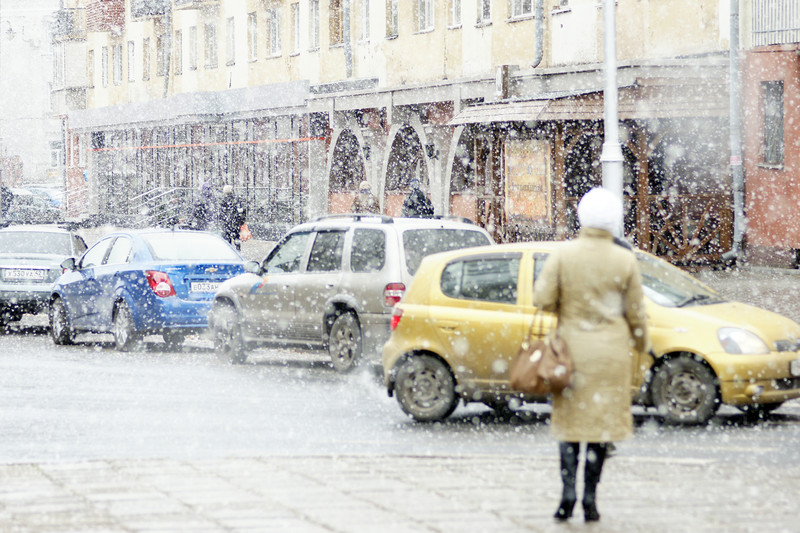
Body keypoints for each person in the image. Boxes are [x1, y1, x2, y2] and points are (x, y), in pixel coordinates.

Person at [532, 187, 649, 523]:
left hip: (571, 356)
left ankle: (566, 495)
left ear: (581, 216)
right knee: (599, 430)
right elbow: (637, 314)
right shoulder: (624, 259)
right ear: (614, 220)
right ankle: (590, 499)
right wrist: (641, 345)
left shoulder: (565, 254)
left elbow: (542, 298)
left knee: (570, 427)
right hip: (611, 358)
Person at [219, 185, 247, 250]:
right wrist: (241, 221)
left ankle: (229, 251)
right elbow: (242, 210)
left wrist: (222, 221)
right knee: (236, 238)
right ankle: (237, 250)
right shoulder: (236, 199)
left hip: (226, 224)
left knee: (227, 241)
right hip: (235, 224)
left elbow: (220, 213)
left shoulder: (222, 200)